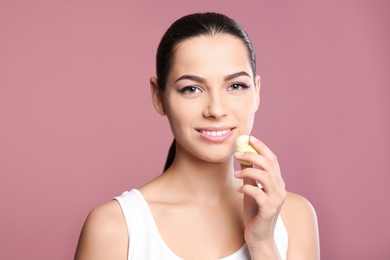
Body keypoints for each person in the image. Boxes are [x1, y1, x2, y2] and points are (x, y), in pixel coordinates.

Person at [74, 12, 320, 260]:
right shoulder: (115, 227)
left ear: (256, 92)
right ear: (158, 96)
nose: (216, 109)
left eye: (235, 86)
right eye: (192, 89)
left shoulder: (294, 218)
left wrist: (264, 243)